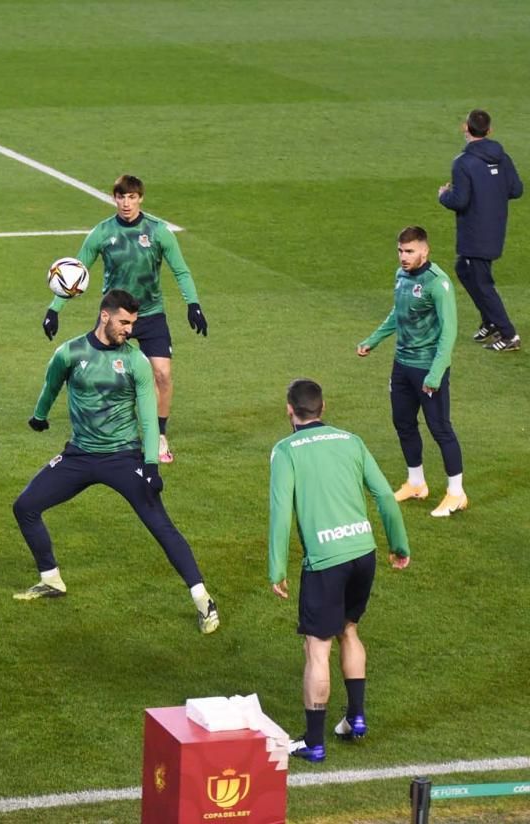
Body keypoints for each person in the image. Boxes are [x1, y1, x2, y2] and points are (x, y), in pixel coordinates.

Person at [16, 289, 219, 634]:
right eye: (124, 322)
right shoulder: (70, 352)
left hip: (124, 458)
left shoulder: (136, 360)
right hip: (79, 455)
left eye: (133, 323)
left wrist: (151, 466)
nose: (129, 329)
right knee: (25, 506)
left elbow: (149, 416)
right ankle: (51, 579)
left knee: (160, 525)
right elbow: (51, 386)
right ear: (105, 316)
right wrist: (39, 416)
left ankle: (203, 601)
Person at [268, 378, 410, 763]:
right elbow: (383, 494)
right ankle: (355, 718)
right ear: (323, 407)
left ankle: (314, 743)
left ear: (289, 409)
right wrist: (399, 544)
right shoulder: (351, 440)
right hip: (363, 552)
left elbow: (281, 512)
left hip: (325, 561)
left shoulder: (285, 451)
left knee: (317, 647)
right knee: (349, 629)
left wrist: (276, 567)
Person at [41, 175, 207, 464]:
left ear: (140, 198)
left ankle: (160, 434)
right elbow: (74, 274)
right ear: (114, 199)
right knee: (109, 374)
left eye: (131, 197)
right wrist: (54, 309)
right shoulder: (102, 233)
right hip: (116, 315)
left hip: (151, 313)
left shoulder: (158, 231)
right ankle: (107, 433)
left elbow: (181, 271)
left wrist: (193, 304)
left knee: (163, 375)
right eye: (121, 197)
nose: (126, 203)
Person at [357, 226, 466, 517]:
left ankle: (456, 493)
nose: (404, 257)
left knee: (440, 428)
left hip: (429, 368)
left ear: (424, 251)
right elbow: (398, 313)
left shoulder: (437, 283)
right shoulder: (401, 275)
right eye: (401, 251)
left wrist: (435, 373)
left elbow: (449, 332)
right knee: (403, 423)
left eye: (410, 251)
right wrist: (373, 339)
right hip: (402, 366)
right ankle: (416, 483)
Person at [438, 109, 523, 352]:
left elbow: (460, 200)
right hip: (495, 228)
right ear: (489, 130)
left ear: (466, 128)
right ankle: (490, 321)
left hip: (475, 232)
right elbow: (516, 189)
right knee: (462, 269)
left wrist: (444, 195)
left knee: (482, 282)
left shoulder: (463, 162)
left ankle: (509, 334)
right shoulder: (502, 157)